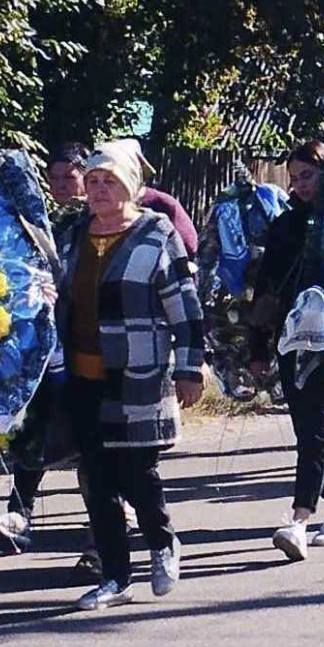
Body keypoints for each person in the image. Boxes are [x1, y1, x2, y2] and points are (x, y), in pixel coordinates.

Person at [55, 141, 207, 609]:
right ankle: (116, 577)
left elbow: (184, 304)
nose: (99, 189)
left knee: (138, 473)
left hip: (138, 372)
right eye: (94, 181)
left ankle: (162, 543)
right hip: (81, 376)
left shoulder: (156, 233)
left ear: (132, 188)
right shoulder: (71, 233)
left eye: (111, 181)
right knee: (95, 478)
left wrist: (189, 367)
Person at [258, 140, 324, 560]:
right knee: (309, 429)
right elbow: (266, 288)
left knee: (314, 427)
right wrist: (258, 346)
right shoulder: (283, 225)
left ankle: (299, 521)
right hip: (288, 337)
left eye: (307, 176)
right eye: (293, 178)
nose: (299, 186)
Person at [44, 139, 198, 257]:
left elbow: (187, 254)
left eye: (110, 180)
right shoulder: (66, 223)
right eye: (94, 181)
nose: (60, 185)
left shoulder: (160, 211)